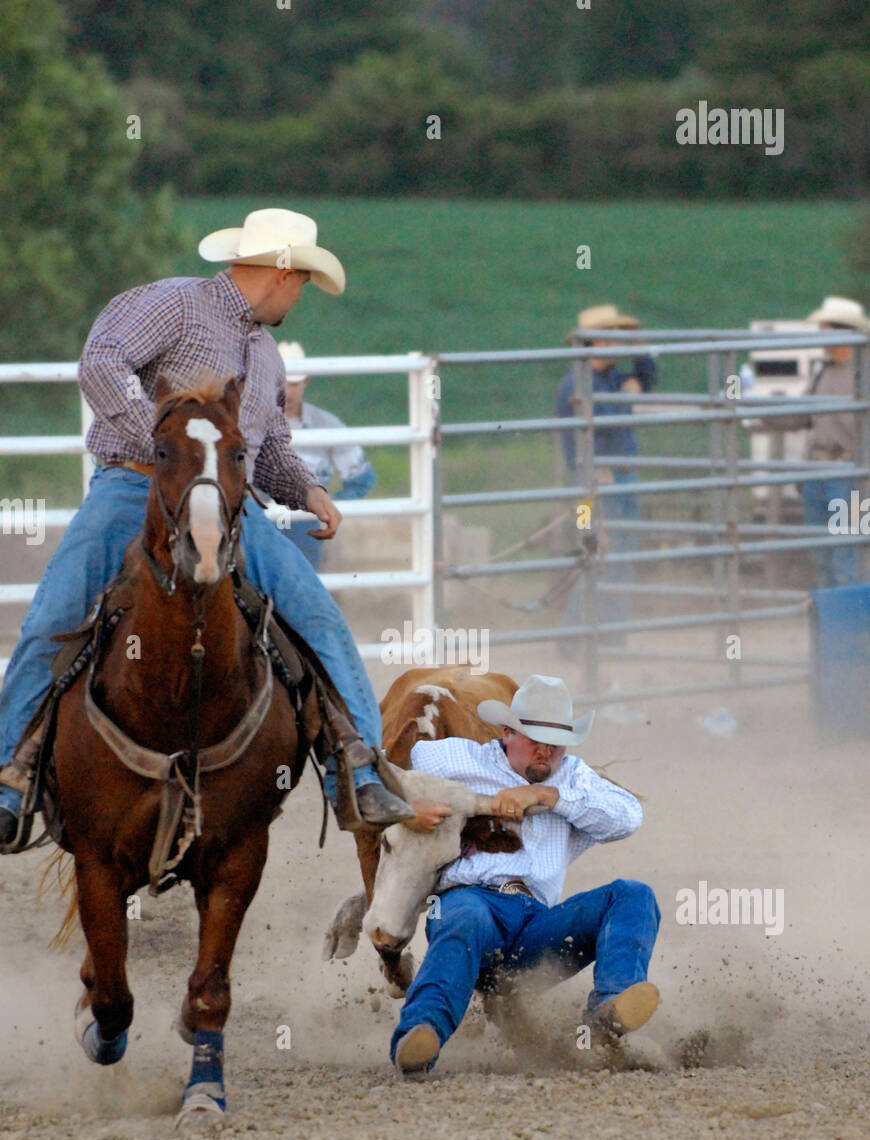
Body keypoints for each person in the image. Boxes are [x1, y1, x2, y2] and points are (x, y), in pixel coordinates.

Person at [0, 207, 413, 849]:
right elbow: (101, 360)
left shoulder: (267, 357)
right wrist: (169, 451)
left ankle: (356, 770)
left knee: (316, 617)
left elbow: (269, 446)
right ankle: (8, 781)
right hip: (134, 485)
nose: (301, 293)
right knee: (54, 616)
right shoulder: (177, 303)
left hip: (230, 507)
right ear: (283, 270)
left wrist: (306, 489)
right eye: (302, 279)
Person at [390, 674, 661, 1076]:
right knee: (464, 916)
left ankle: (611, 1008)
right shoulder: (457, 758)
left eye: (555, 742)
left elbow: (628, 816)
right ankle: (420, 1032)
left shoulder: (572, 777)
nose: (545, 751)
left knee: (633, 895)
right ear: (507, 733)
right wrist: (409, 808)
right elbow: (371, 771)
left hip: (537, 928)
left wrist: (547, 796)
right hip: (472, 902)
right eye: (534, 738)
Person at [556, 304, 658, 642]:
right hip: (593, 484)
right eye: (615, 335)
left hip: (615, 479)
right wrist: (625, 394)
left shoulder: (608, 378)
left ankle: (607, 636)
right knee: (597, 556)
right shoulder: (578, 383)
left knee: (618, 557)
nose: (621, 344)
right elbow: (603, 419)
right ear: (598, 342)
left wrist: (639, 348)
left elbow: (648, 377)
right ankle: (582, 635)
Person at [766, 296, 870, 589]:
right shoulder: (823, 371)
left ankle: (851, 626)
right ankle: (834, 625)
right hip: (820, 472)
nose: (822, 335)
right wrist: (765, 410)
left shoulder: (864, 369)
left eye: (827, 328)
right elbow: (801, 415)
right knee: (823, 554)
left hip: (849, 474)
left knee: (846, 553)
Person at [275, 341, 377, 571]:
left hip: (306, 523)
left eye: (293, 384)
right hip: (263, 517)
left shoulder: (328, 425)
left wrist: (330, 512)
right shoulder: (250, 421)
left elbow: (361, 478)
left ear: (305, 382)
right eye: (281, 382)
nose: (287, 391)